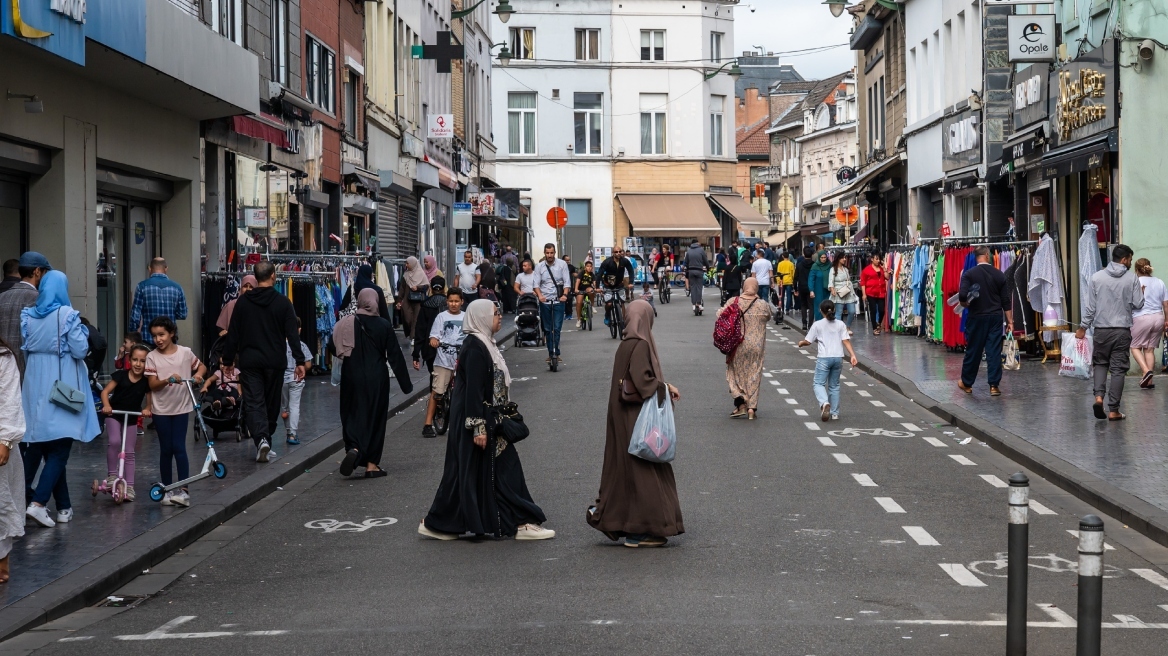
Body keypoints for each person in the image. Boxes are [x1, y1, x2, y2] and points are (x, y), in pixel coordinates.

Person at [420, 300, 554, 541]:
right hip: (481, 421)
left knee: (467, 473)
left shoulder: (484, 343)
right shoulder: (474, 347)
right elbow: (473, 391)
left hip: (487, 418)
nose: (500, 316)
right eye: (495, 313)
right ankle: (521, 522)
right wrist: (478, 428)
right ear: (481, 317)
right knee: (497, 469)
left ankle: (440, 523)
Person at [587, 299, 682, 547]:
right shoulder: (640, 345)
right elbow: (643, 382)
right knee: (645, 470)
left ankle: (613, 520)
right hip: (636, 418)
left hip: (621, 416)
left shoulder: (625, 345)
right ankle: (644, 529)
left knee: (623, 470)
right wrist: (665, 387)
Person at [21, 271, 101, 527]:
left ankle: (64, 507)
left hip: (35, 385)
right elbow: (80, 349)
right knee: (60, 447)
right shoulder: (67, 315)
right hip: (60, 386)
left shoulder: (29, 315)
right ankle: (38, 503)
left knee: (48, 445)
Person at [222, 260, 307, 463]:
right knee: (271, 402)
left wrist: (227, 360)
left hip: (250, 361)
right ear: (273, 276)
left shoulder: (243, 302)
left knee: (254, 402)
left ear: (256, 277)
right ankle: (265, 438)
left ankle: (262, 440)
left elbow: (233, 333)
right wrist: (300, 360)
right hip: (275, 361)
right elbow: (292, 334)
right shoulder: (283, 303)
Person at [330, 289, 413, 477]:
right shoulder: (383, 325)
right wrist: (406, 385)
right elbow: (395, 356)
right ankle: (371, 464)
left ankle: (354, 447)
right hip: (376, 377)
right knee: (375, 417)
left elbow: (331, 346)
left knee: (352, 413)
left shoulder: (346, 323)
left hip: (351, 376)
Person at [1076, 244, 1144, 420]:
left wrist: (1083, 327)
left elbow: (1090, 308)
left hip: (1101, 330)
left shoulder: (1096, 278)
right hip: (1121, 331)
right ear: (1124, 259)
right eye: (1129, 259)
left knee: (1100, 364)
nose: (1130, 262)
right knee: (1118, 370)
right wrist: (1140, 294)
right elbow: (1138, 304)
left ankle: (1099, 398)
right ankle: (1113, 410)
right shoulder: (1132, 279)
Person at [144, 317, 205, 507]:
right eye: (154, 336)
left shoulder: (185, 353)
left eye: (161, 335)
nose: (158, 339)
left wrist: (198, 375)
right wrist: (167, 380)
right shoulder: (151, 357)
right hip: (161, 409)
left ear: (171, 333)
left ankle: (184, 491)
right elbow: (152, 384)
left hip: (181, 408)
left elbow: (201, 366)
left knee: (179, 447)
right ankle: (167, 489)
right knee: (166, 450)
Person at [956, 246, 1013, 397]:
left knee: (974, 350)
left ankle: (967, 383)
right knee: (993, 351)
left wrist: (964, 303)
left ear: (977, 257)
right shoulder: (999, 275)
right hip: (995, 317)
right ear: (987, 255)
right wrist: (1010, 321)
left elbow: (962, 295)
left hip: (977, 316)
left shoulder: (969, 274)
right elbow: (1005, 301)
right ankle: (994, 386)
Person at [99, 343, 152, 501]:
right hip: (114, 414)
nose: (138, 364)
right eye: (135, 360)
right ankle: (111, 476)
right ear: (129, 360)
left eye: (142, 361)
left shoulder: (146, 382)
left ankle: (129, 486)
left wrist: (147, 409)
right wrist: (107, 405)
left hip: (132, 417)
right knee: (114, 442)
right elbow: (105, 392)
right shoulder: (120, 375)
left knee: (129, 452)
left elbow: (149, 403)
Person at [719, 278, 773, 419]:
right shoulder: (762, 304)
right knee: (754, 374)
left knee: (733, 371)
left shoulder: (734, 302)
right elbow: (769, 316)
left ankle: (741, 402)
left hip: (737, 344)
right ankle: (751, 408)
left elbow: (720, 315)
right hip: (756, 346)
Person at [799, 300, 859, 422]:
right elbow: (846, 341)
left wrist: (801, 343)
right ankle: (835, 413)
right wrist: (853, 355)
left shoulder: (817, 325)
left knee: (818, 383)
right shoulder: (841, 324)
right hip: (838, 358)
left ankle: (824, 403)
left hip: (824, 358)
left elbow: (808, 341)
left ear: (821, 311)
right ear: (834, 310)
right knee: (834, 385)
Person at [420, 288, 465, 438]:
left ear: (462, 302)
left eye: (456, 301)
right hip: (443, 360)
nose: (453, 304)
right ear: (447, 302)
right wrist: (434, 341)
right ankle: (427, 424)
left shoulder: (466, 317)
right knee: (437, 391)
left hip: (461, 360)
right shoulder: (441, 317)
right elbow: (434, 335)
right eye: (451, 301)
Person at [0, 252, 50, 377]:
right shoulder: (38, 299)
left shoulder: (2, 297)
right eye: (45, 272)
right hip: (28, 369)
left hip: (3, 368)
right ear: (37, 271)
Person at [0, 336, 25, 581]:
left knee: (0, 500)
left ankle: (1, 562)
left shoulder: (3, 357)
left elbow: (10, 400)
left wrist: (6, 439)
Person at [129, 258, 189, 347]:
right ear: (166, 268)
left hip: (148, 339)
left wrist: (132, 335)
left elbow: (135, 316)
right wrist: (170, 314)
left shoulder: (142, 286)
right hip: (169, 339)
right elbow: (183, 314)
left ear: (149, 268)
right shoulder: (177, 288)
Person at [1130, 258, 1168, 389]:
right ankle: (1149, 382)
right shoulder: (1159, 282)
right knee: (1149, 349)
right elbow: (1166, 304)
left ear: (1136, 270)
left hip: (1141, 318)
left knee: (1134, 347)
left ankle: (1146, 371)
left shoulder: (1134, 282)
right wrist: (1167, 320)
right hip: (1158, 318)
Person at [533, 243, 572, 365]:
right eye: (547, 253)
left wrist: (564, 295)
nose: (549, 255)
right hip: (545, 302)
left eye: (551, 253)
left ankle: (557, 352)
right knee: (548, 329)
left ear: (555, 253)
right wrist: (540, 296)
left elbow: (567, 283)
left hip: (558, 300)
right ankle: (551, 353)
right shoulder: (539, 267)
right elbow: (536, 285)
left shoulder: (562, 264)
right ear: (544, 253)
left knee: (557, 328)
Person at [280, 324, 312, 445]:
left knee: (285, 407)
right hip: (296, 379)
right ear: (299, 330)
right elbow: (308, 365)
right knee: (294, 406)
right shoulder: (302, 345)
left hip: (282, 380)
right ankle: (292, 434)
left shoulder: (280, 345)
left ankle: (288, 430)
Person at [412, 277, 449, 377]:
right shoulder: (450, 304)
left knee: (434, 376)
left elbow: (420, 331)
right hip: (449, 348)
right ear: (444, 288)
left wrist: (416, 355)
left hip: (429, 349)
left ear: (431, 289)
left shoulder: (425, 305)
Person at [397, 256, 430, 344]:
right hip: (407, 300)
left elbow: (426, 286)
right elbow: (402, 288)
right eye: (406, 263)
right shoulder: (406, 274)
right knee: (407, 318)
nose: (406, 265)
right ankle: (410, 334)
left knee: (416, 319)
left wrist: (418, 287)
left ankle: (413, 337)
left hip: (418, 301)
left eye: (408, 263)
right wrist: (399, 301)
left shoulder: (421, 273)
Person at [828, 253, 860, 333]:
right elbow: (831, 280)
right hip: (839, 292)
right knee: (839, 312)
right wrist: (832, 289)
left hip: (848, 291)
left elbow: (848, 280)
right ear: (838, 259)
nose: (845, 259)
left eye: (845, 257)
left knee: (852, 311)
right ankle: (838, 330)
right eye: (843, 258)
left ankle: (847, 327)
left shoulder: (846, 269)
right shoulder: (833, 269)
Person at [860, 254, 888, 335]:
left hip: (881, 292)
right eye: (876, 259)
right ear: (872, 259)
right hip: (871, 292)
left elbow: (887, 277)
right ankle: (874, 328)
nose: (878, 261)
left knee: (882, 310)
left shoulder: (881, 269)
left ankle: (878, 323)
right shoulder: (866, 270)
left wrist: (884, 269)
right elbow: (863, 283)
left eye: (879, 259)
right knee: (873, 310)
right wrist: (864, 294)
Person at [683, 240, 710, 312]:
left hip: (691, 271)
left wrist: (685, 267)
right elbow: (705, 260)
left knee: (693, 288)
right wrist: (708, 268)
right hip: (699, 271)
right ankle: (698, 304)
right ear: (698, 244)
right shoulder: (701, 250)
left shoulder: (689, 251)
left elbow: (686, 262)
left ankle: (693, 305)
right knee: (699, 287)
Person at [807, 250, 832, 321]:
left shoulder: (829, 265)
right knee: (819, 306)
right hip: (818, 290)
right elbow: (811, 279)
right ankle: (819, 323)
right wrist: (811, 290)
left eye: (825, 257)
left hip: (828, 290)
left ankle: (828, 322)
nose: (824, 259)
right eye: (822, 257)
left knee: (828, 306)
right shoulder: (815, 266)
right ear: (819, 258)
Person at [795, 247, 814, 330]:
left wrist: (795, 289)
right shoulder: (814, 265)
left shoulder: (799, 265)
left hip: (802, 287)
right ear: (812, 254)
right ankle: (810, 324)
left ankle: (804, 323)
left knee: (803, 305)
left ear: (803, 254)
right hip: (811, 288)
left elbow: (795, 278)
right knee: (811, 306)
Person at [575, 260, 596, 327]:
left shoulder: (592, 275)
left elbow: (594, 283)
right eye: (587, 266)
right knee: (579, 302)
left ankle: (592, 306)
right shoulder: (581, 273)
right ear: (585, 267)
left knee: (591, 290)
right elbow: (578, 281)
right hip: (581, 289)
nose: (589, 268)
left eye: (590, 266)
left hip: (588, 289)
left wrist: (595, 288)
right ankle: (579, 319)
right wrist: (576, 289)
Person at [562, 255, 576, 320]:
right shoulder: (560, 267)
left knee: (569, 300)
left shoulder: (571, 267)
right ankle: (564, 312)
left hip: (569, 285)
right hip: (561, 285)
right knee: (562, 300)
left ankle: (569, 314)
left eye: (569, 260)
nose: (568, 261)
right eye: (566, 260)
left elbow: (574, 274)